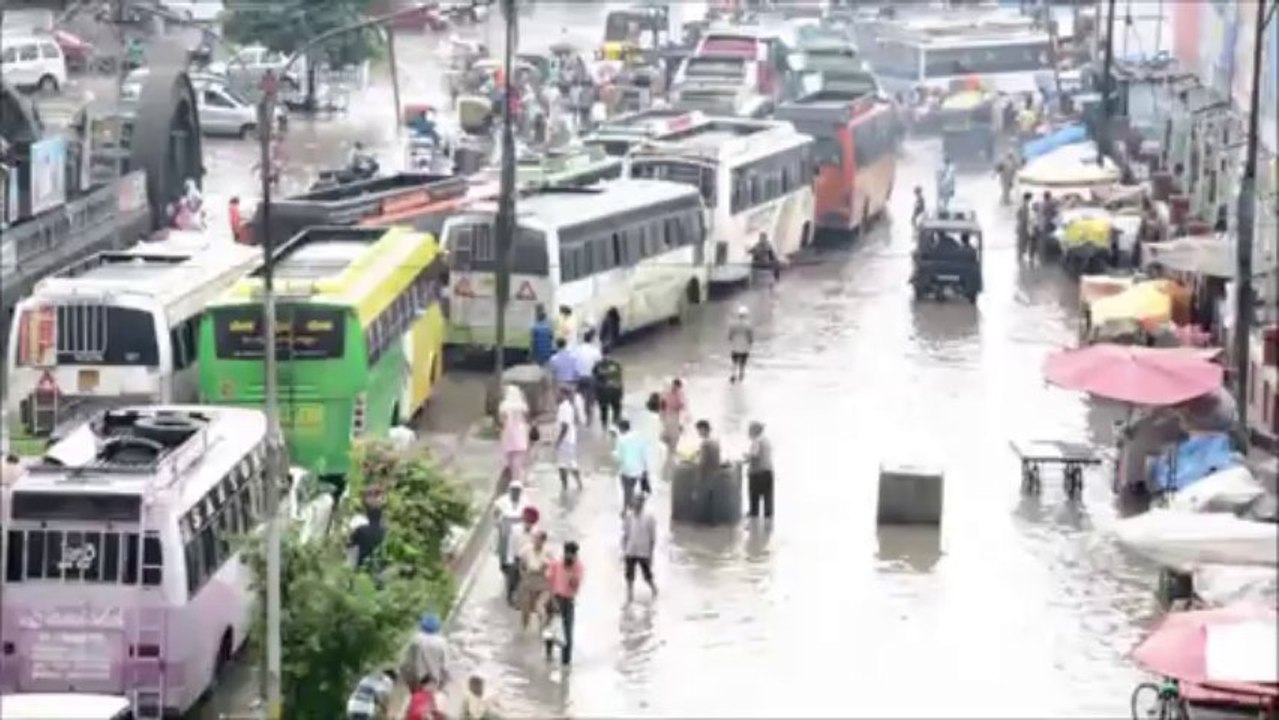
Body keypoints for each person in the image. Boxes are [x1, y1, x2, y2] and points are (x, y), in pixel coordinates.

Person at [547, 541, 584, 666]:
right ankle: (549, 655)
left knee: (568, 634)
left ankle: (566, 664)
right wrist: (552, 601)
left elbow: (575, 586)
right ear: (564, 553)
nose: (570, 557)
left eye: (572, 555)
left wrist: (572, 572)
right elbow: (550, 584)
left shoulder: (578, 567)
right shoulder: (556, 565)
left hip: (569, 601)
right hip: (555, 598)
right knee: (552, 630)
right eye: (568, 554)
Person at [493, 481, 528, 606]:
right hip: (506, 531)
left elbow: (528, 516)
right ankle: (510, 586)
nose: (515, 493)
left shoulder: (525, 501)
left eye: (518, 491)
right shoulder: (503, 500)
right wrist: (498, 522)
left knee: (517, 566)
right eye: (513, 490)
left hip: (520, 534)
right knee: (507, 562)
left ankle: (514, 592)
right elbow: (496, 511)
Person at [400, 613, 452, 692]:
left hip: (416, 683)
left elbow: (407, 664)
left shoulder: (415, 640)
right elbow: (446, 667)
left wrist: (408, 681)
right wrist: (443, 685)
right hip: (433, 684)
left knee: (417, 701)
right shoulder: (442, 643)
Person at [621, 493, 658, 602]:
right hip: (630, 550)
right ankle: (630, 596)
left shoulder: (649, 517)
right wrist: (623, 550)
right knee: (629, 575)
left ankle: (654, 591)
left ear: (642, 503)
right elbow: (625, 534)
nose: (636, 503)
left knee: (647, 575)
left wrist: (651, 554)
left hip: (643, 551)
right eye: (635, 501)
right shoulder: (629, 516)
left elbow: (653, 537)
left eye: (638, 501)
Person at [516, 526, 552, 631]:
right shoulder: (526, 549)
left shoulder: (548, 552)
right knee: (525, 610)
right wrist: (523, 575)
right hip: (528, 581)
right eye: (535, 538)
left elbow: (552, 568)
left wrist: (545, 569)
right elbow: (520, 564)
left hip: (542, 583)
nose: (536, 541)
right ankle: (524, 629)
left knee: (539, 606)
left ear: (543, 541)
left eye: (539, 539)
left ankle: (542, 627)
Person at [497, 385, 531, 486]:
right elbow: (526, 419)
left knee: (510, 459)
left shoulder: (504, 406)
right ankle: (519, 480)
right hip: (521, 434)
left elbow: (502, 421)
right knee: (519, 460)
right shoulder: (523, 406)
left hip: (509, 434)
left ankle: (513, 480)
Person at [612, 418, 648, 512]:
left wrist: (614, 454)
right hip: (637, 470)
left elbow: (620, 457)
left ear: (621, 428)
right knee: (630, 489)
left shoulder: (621, 439)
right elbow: (643, 453)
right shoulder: (638, 437)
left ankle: (626, 508)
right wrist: (644, 468)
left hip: (626, 470)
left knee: (627, 490)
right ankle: (631, 507)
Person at [572, 329, 603, 427]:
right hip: (590, 378)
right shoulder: (595, 351)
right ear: (592, 340)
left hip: (578, 377)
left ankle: (576, 419)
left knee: (576, 398)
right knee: (590, 401)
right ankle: (588, 421)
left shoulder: (577, 349)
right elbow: (599, 364)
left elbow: (573, 361)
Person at [744, 421, 774, 519]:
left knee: (754, 501)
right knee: (768, 500)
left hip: (757, 474)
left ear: (754, 431)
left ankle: (754, 526)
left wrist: (746, 457)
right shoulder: (767, 440)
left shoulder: (756, 441)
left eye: (749, 430)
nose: (748, 432)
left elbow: (754, 455)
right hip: (768, 472)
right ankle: (768, 526)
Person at [555, 385, 582, 491]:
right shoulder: (569, 406)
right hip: (571, 439)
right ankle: (579, 484)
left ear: (563, 394)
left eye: (558, 393)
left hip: (565, 440)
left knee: (562, 465)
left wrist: (558, 441)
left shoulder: (564, 407)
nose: (556, 395)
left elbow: (565, 426)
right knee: (571, 462)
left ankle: (564, 487)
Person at [593, 346, 624, 428]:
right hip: (614, 392)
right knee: (614, 411)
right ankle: (613, 428)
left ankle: (605, 430)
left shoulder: (598, 365)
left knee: (605, 412)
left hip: (605, 393)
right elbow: (620, 379)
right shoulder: (616, 364)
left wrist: (596, 395)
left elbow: (595, 380)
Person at [348, 505, 386, 571]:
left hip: (359, 561)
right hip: (375, 564)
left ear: (368, 517)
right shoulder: (383, 532)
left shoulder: (361, 529)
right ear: (380, 518)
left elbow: (350, 543)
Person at [727, 305, 754, 384]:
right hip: (744, 347)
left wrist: (731, 340)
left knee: (734, 362)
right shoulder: (748, 325)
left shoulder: (733, 324)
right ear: (746, 315)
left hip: (735, 347)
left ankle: (733, 374)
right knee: (742, 362)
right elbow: (750, 337)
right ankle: (741, 374)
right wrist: (750, 343)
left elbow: (730, 336)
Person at [659, 379, 687, 450]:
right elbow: (662, 405)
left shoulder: (680, 394)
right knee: (663, 436)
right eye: (675, 386)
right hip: (667, 415)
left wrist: (681, 423)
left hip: (675, 416)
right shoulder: (666, 393)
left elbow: (683, 406)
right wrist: (662, 416)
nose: (676, 388)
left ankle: (672, 449)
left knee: (674, 437)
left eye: (678, 388)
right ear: (673, 385)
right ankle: (668, 448)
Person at [1016, 192, 1034, 263]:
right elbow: (1025, 218)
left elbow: (1018, 215)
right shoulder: (1025, 206)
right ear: (1028, 198)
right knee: (1023, 241)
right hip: (1023, 226)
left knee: (1022, 241)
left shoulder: (1022, 205)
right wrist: (1028, 225)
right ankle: (1021, 256)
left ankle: (1021, 256)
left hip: (1021, 225)